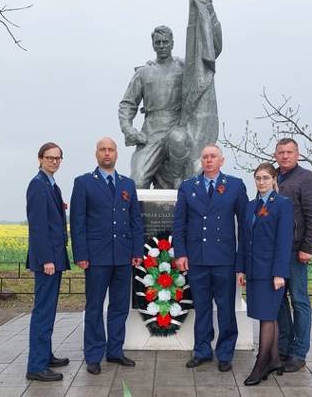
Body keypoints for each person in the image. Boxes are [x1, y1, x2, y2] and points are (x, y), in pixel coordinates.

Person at [70, 137, 145, 375]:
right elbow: (78, 221)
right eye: (102, 150)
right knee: (94, 308)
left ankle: (115, 351)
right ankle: (93, 355)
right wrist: (81, 254)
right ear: (96, 154)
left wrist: (136, 251)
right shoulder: (83, 183)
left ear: (116, 154)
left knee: (119, 307)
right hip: (96, 258)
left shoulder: (127, 184)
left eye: (110, 150)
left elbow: (135, 221)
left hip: (123, 257)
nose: (107, 154)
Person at [173, 144, 249, 372]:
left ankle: (225, 353)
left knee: (226, 308)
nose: (208, 160)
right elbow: (179, 224)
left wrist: (241, 263)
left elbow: (244, 228)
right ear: (201, 161)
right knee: (202, 307)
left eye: (213, 156)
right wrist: (181, 253)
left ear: (221, 161)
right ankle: (202, 350)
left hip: (224, 259)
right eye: (205, 157)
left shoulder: (235, 186)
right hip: (197, 259)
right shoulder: (188, 187)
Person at [236, 163, 293, 386]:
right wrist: (240, 268)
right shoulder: (250, 206)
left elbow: (284, 241)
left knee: (267, 317)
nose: (261, 182)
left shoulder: (282, 204)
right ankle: (275, 359)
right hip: (253, 270)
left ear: (274, 179)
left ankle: (261, 364)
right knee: (267, 314)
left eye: (266, 178)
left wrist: (279, 273)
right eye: (258, 178)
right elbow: (244, 239)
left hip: (271, 273)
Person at [274, 138, 312, 373]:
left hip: (296, 251)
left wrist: (309, 246)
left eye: (289, 152)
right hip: (276, 252)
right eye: (281, 152)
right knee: (279, 302)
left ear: (298, 155)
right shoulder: (272, 177)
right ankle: (283, 347)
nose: (285, 156)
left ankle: (299, 352)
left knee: (299, 301)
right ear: (275, 155)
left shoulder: (308, 179)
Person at [118, 25, 192, 189]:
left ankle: (175, 176)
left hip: (177, 127)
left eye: (165, 42)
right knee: (136, 182)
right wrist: (128, 129)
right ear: (153, 44)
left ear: (172, 43)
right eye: (158, 42)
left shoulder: (184, 68)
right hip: (151, 131)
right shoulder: (144, 72)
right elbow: (127, 105)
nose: (162, 45)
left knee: (179, 144)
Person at [24, 142, 71, 382]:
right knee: (43, 310)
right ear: (40, 158)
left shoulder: (51, 185)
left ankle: (45, 354)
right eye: (50, 157)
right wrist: (46, 260)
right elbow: (38, 228)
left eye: (58, 158)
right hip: (48, 261)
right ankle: (36, 366)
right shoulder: (37, 186)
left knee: (49, 309)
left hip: (56, 258)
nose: (54, 161)